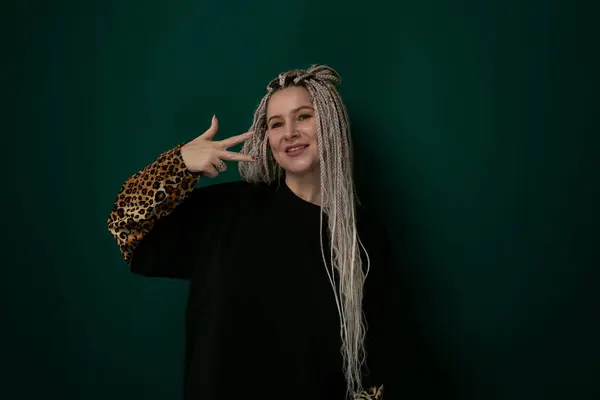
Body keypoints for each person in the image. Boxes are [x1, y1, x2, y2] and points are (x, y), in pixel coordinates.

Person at [107, 64, 394, 400]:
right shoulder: (227, 212)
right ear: (266, 137)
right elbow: (125, 225)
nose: (289, 132)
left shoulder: (363, 234)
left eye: (303, 116)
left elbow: (380, 359)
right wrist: (180, 163)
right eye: (276, 123)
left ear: (331, 123)